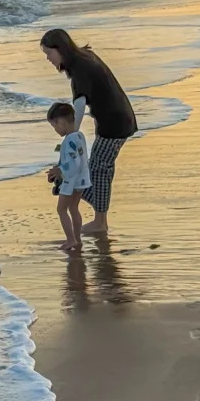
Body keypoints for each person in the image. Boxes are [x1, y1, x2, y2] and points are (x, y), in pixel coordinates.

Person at [40, 28, 137, 235]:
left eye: (49, 53)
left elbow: (80, 105)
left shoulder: (80, 69)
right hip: (117, 119)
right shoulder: (85, 57)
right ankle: (97, 216)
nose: (48, 59)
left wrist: (71, 136)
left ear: (60, 48)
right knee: (96, 169)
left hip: (115, 123)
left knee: (99, 170)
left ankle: (100, 222)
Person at [45, 100, 90, 252]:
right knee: (73, 207)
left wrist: (60, 171)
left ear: (62, 122)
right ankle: (77, 239)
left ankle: (71, 239)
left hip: (71, 181)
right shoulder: (79, 136)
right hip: (82, 179)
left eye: (54, 125)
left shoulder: (69, 140)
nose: (55, 129)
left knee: (61, 209)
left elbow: (74, 162)